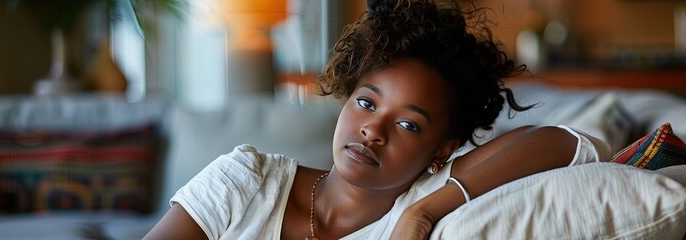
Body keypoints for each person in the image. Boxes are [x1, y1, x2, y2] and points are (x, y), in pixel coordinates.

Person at [145, 0, 602, 239]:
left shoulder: (417, 204)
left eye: (409, 125)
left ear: (442, 150)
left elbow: (567, 142)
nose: (373, 130)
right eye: (367, 103)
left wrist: (424, 213)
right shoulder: (245, 181)